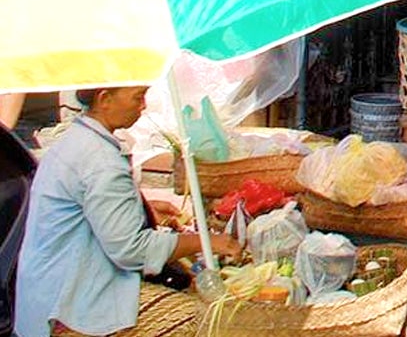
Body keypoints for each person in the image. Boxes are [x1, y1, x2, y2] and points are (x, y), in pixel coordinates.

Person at [16, 86, 242, 337]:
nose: (143, 105)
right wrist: (207, 241)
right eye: (138, 97)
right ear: (105, 99)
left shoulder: (77, 140)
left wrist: (143, 209)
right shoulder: (100, 159)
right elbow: (132, 250)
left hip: (45, 292)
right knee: (202, 320)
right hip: (70, 306)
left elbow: (92, 208)